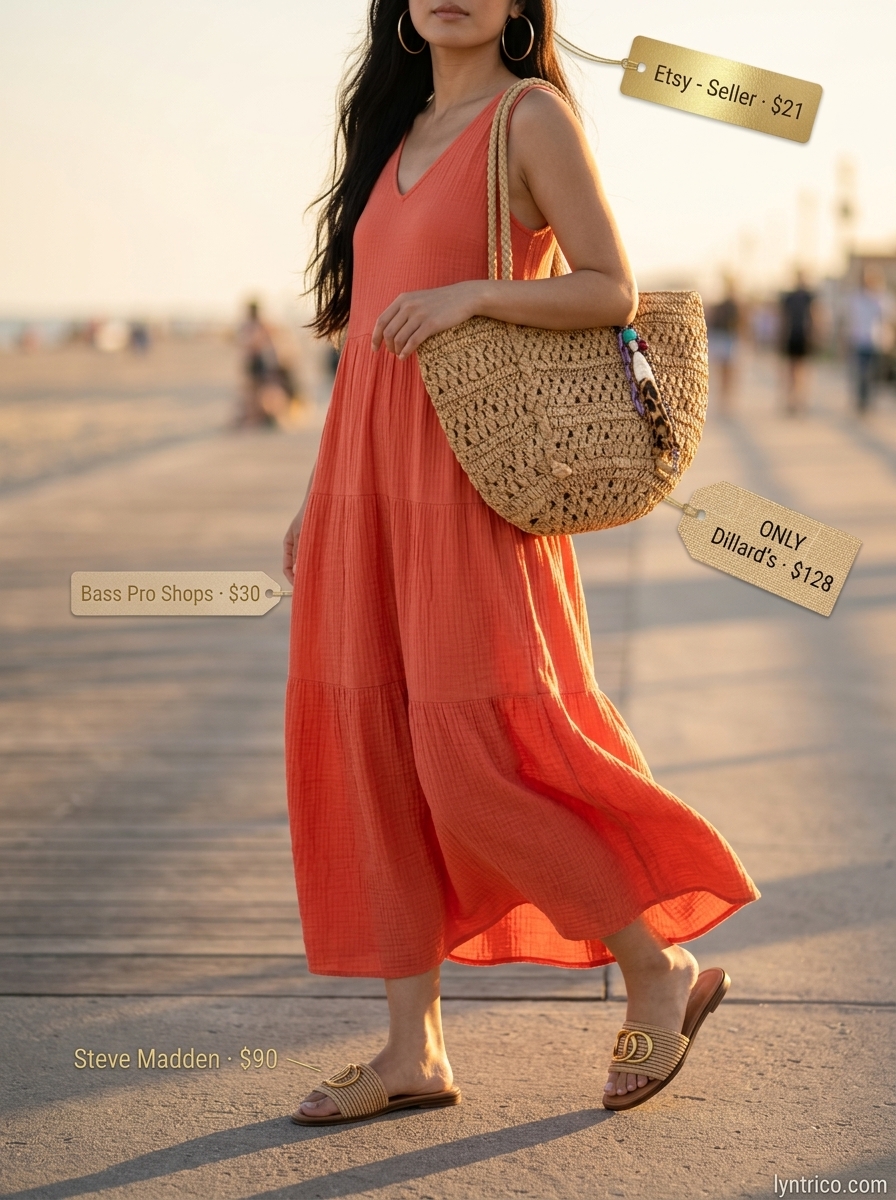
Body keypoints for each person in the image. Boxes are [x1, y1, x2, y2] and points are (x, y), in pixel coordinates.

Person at [282, 0, 758, 1123]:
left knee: (476, 757)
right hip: (366, 489)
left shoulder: (527, 116)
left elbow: (610, 287)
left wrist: (475, 294)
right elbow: (362, 352)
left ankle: (654, 965)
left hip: (469, 482)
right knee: (380, 756)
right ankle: (413, 1051)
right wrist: (315, 499)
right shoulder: (393, 137)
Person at [847, 264, 893, 414]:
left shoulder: (881, 298)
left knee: (872, 374)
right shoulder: (857, 298)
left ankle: (869, 400)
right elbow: (851, 319)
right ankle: (862, 401)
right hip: (859, 340)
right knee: (861, 372)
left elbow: (888, 318)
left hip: (876, 341)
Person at [779, 270, 814, 416]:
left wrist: (814, 334)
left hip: (803, 336)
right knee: (791, 370)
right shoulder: (789, 297)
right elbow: (783, 317)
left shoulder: (809, 297)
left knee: (802, 369)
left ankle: (800, 399)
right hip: (792, 336)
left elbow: (814, 315)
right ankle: (791, 399)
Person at [707, 275, 741, 415]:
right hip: (723, 337)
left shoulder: (736, 305)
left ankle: (726, 398)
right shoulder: (722, 305)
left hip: (729, 338)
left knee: (728, 371)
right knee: (723, 370)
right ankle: (723, 398)